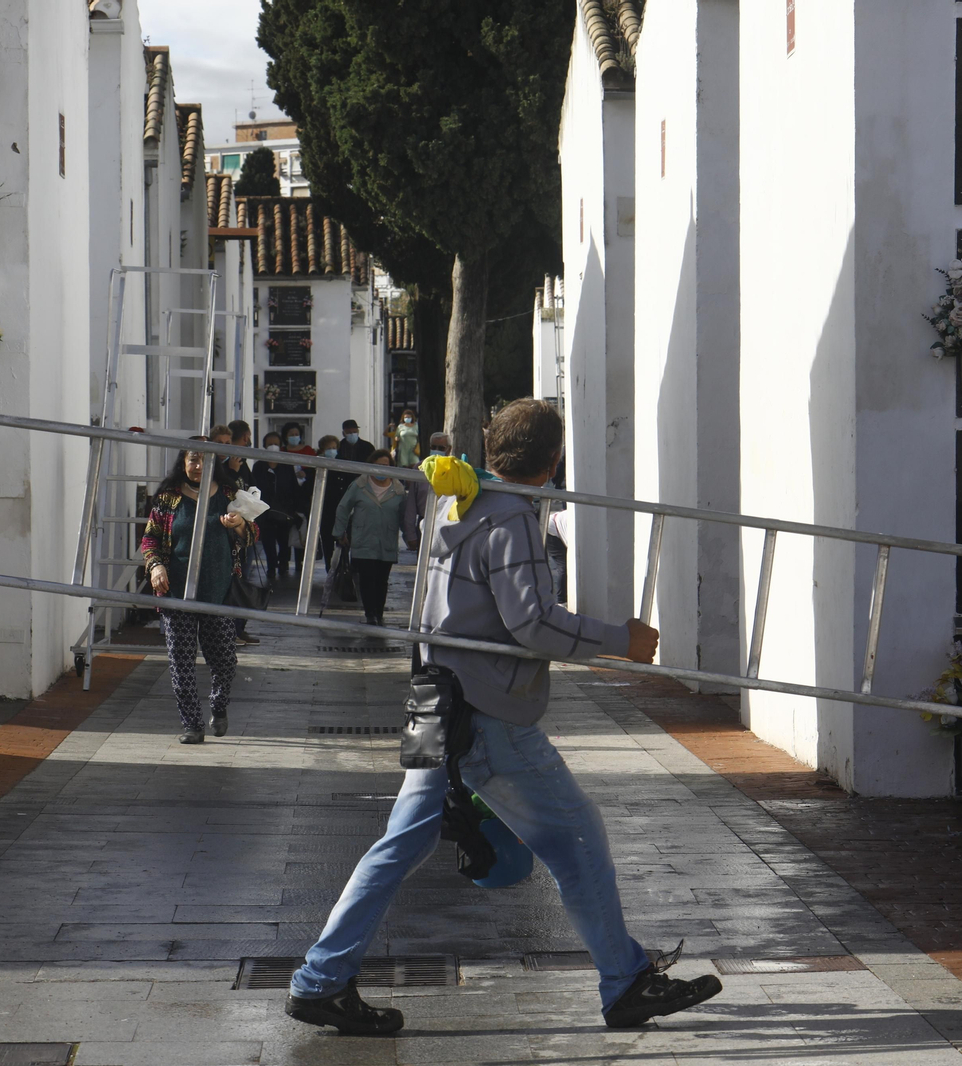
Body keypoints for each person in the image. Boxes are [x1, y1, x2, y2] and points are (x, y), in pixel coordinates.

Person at [286, 399, 722, 1034]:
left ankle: (319, 980)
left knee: (397, 847)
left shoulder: (456, 503)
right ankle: (626, 983)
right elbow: (533, 622)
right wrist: (616, 639)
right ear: (552, 462)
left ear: (492, 452)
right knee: (577, 839)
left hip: (438, 699)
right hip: (487, 711)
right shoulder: (511, 519)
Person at [140, 439, 258, 744]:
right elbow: (150, 539)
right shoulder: (168, 498)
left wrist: (240, 525)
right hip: (175, 593)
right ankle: (192, 723)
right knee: (181, 662)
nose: (198, 466)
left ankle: (218, 706)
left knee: (225, 660)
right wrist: (155, 567)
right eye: (193, 460)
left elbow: (252, 534)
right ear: (184, 462)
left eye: (205, 460)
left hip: (217, 593)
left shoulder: (230, 493)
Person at [332, 450, 411, 627]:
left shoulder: (398, 490)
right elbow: (343, 508)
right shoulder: (359, 485)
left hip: (387, 541)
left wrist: (409, 538)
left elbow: (404, 516)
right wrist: (340, 532)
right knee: (367, 578)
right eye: (379, 465)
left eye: (387, 465)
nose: (383, 469)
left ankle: (379, 612)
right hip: (363, 540)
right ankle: (370, 614)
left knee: (382, 580)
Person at [213, 422, 260, 647]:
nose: (224, 447)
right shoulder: (215, 467)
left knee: (241, 579)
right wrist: (231, 470)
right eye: (219, 443)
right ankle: (229, 630)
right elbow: (226, 490)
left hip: (243, 528)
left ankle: (238, 628)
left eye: (227, 443)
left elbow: (249, 488)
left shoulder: (240, 462)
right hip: (224, 532)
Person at [251, 431, 299, 579]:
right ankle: (272, 566)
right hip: (265, 512)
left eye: (276, 444)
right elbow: (254, 487)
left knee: (284, 542)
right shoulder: (259, 466)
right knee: (268, 542)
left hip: (284, 510)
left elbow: (293, 487)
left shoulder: (286, 466)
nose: (273, 446)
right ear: (265, 446)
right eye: (270, 444)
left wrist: (294, 508)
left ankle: (283, 564)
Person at [401, 431, 450, 547]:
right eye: (433, 447)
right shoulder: (419, 468)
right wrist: (411, 535)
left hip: (447, 524)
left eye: (441, 447)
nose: (436, 450)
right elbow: (411, 505)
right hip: (424, 522)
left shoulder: (455, 469)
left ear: (448, 449)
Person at [315, 433, 345, 570]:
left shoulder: (342, 464)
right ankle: (330, 570)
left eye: (334, 447)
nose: (332, 450)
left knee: (342, 543)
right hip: (324, 510)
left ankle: (342, 570)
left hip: (340, 510)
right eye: (329, 448)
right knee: (327, 543)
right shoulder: (317, 464)